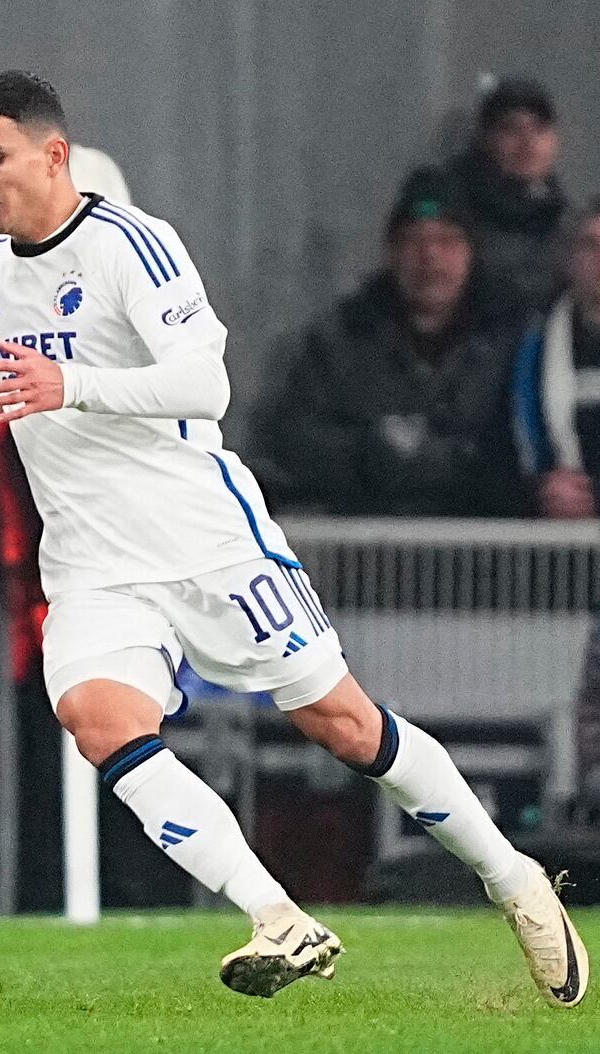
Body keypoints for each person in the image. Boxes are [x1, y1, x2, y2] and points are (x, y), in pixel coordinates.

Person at [0, 69, 586, 1007]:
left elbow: (203, 386)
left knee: (342, 724)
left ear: (51, 155)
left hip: (206, 542)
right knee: (101, 723)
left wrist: (75, 387)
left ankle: (512, 880)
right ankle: (278, 918)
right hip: (94, 567)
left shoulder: (132, 245)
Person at [256, 169, 530, 516]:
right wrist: (370, 454)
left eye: (446, 241)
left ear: (470, 254)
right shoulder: (341, 338)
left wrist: (468, 463)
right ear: (391, 252)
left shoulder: (515, 339)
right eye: (414, 241)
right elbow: (293, 437)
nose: (430, 258)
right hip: (370, 548)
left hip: (490, 552)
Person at [512, 198, 600, 814]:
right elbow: (516, 435)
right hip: (562, 566)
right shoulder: (540, 346)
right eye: (591, 245)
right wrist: (540, 488)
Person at [446, 78, 567, 314]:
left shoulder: (567, 221)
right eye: (511, 129)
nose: (528, 143)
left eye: (539, 128)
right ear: (487, 139)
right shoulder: (456, 215)